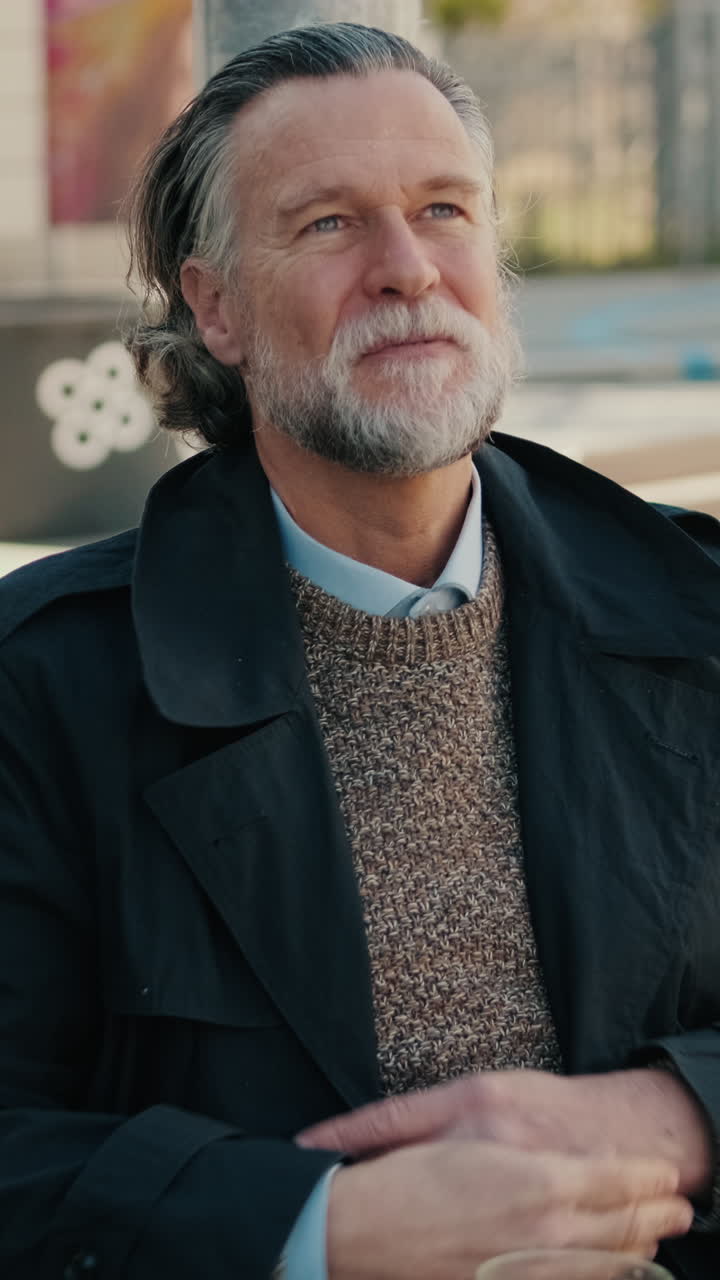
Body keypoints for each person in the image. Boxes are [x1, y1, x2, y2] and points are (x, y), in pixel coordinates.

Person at [0, 21, 719, 1280]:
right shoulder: (39, 683)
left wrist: (679, 1112)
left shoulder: (699, 610)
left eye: (444, 209)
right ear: (213, 305)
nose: (405, 269)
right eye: (328, 223)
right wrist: (321, 1228)